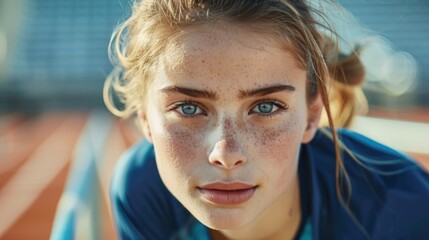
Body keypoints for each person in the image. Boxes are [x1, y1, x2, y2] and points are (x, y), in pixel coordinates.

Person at [103, 0, 429, 239]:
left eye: (266, 107)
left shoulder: (401, 212)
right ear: (145, 116)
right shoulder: (142, 191)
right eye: (189, 108)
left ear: (311, 115)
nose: (227, 154)